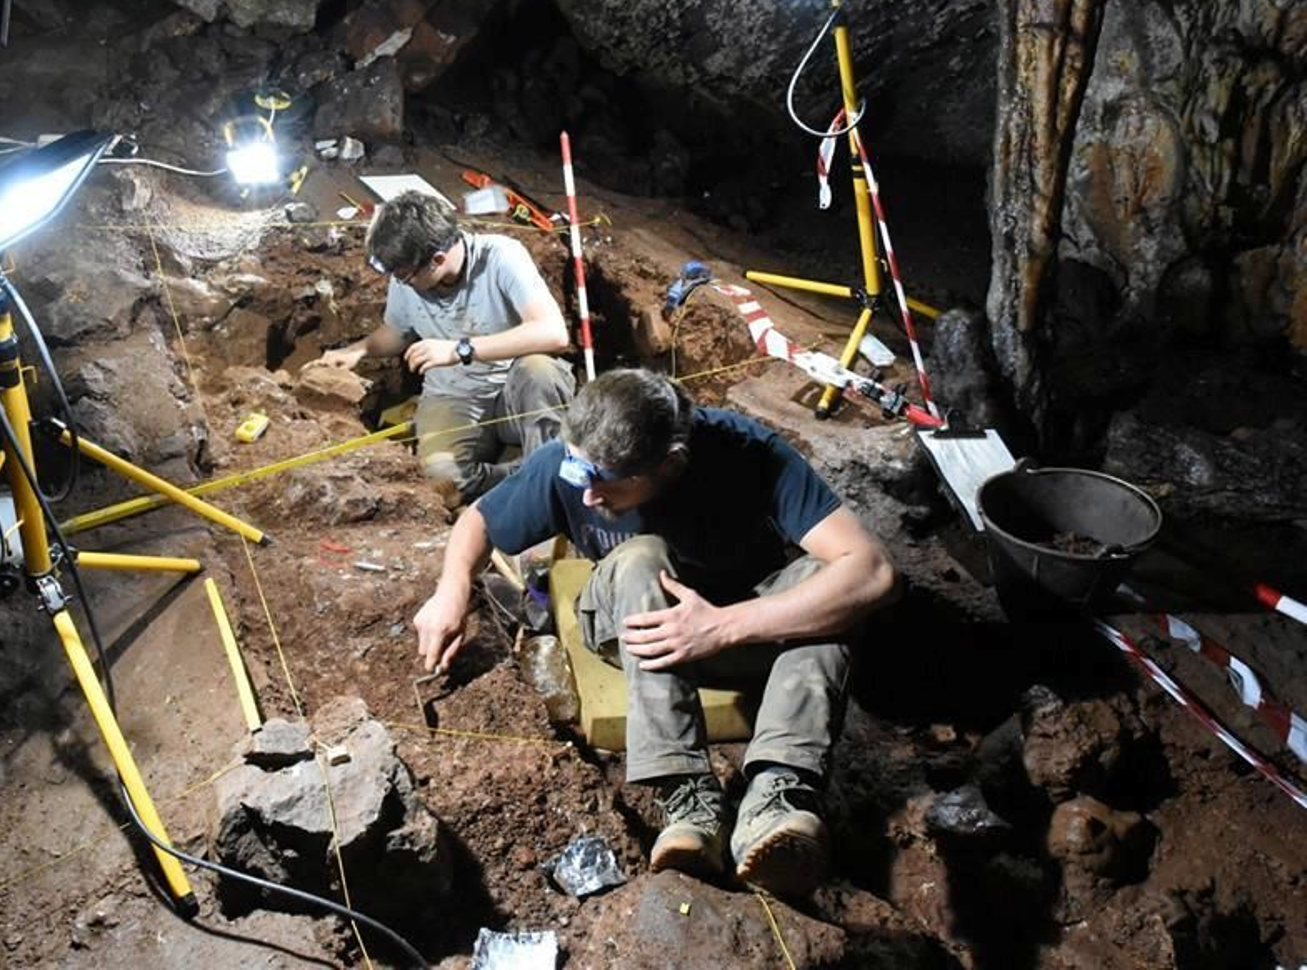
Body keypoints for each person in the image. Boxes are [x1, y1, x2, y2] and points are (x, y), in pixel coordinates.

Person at [411, 368, 898, 897]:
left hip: (739, 626)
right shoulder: (568, 463)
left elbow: (873, 571)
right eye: (577, 470)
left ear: (670, 463)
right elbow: (479, 520)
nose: (587, 495)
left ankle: (777, 795)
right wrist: (451, 589)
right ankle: (686, 795)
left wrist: (723, 626)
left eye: (603, 479)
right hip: (629, 621)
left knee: (829, 585)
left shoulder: (749, 452)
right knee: (641, 555)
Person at [317, 190, 574, 503]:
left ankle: (547, 485)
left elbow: (553, 332)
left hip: (515, 391)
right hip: (453, 396)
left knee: (540, 370)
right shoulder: (408, 273)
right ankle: (528, 473)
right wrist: (359, 350)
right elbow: (397, 332)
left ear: (437, 261)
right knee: (443, 483)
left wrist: (459, 350)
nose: (401, 282)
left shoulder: (501, 256)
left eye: (405, 276)